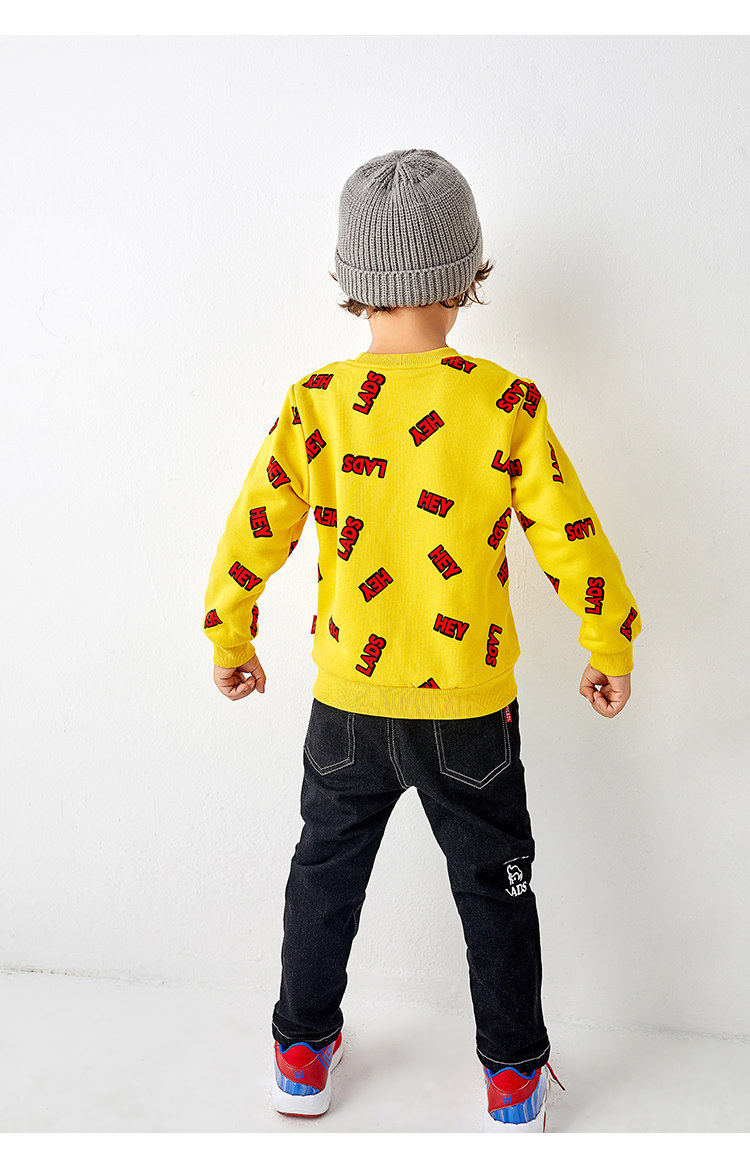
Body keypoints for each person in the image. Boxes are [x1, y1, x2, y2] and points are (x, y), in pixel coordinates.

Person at [203, 148, 640, 1132]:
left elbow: (254, 528)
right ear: (466, 273)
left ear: (351, 276)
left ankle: (301, 1052)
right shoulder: (504, 402)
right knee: (496, 890)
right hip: (469, 711)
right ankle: (514, 1076)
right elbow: (572, 535)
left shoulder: (316, 400)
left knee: (323, 877)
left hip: (347, 707)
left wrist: (231, 630)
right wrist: (607, 642)